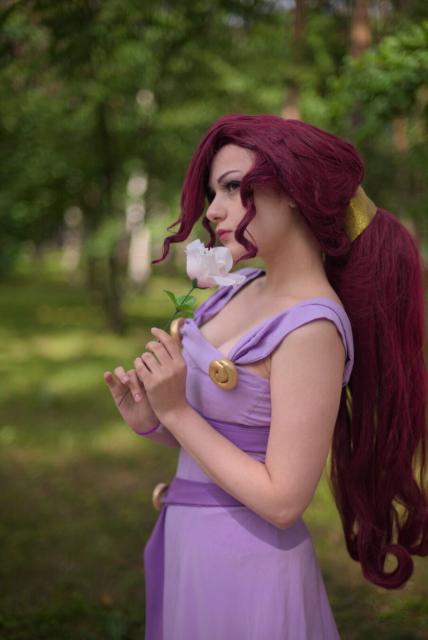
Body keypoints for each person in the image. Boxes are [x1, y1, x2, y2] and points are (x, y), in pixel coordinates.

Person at [104, 114, 427, 639]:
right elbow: (229, 439)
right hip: (190, 545)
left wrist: (177, 412)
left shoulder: (312, 328)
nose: (214, 210)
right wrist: (153, 419)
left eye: (233, 187)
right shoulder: (235, 288)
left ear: (296, 190)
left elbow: (283, 500)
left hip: (247, 568)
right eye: (214, 191)